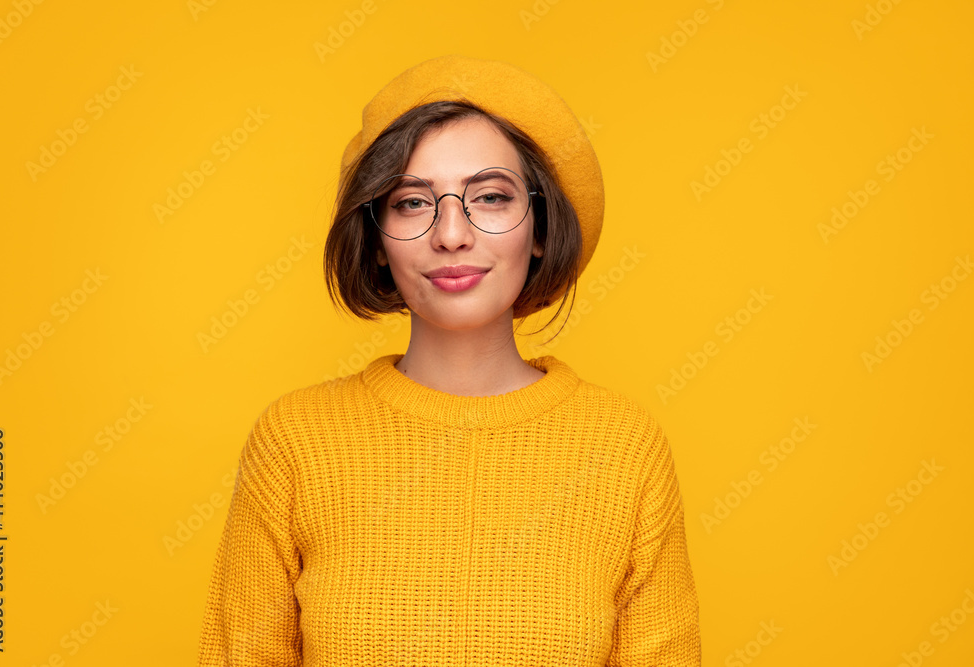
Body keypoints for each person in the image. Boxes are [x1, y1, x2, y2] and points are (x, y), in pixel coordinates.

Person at [198, 55, 701, 666]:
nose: (452, 234)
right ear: (378, 240)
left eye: (489, 197)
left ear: (540, 229)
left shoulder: (625, 447)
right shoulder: (294, 442)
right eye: (413, 202)